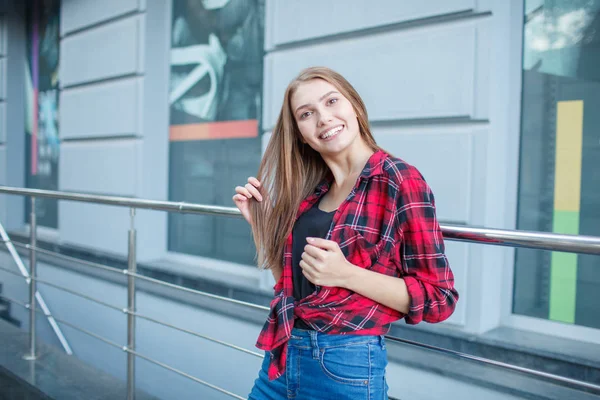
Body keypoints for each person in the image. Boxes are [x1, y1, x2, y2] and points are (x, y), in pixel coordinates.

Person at [233, 66, 459, 399]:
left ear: (353, 104)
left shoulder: (399, 180)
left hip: (345, 365)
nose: (323, 118)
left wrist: (347, 275)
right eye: (307, 113)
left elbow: (439, 298)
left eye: (331, 101)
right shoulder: (312, 194)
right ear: (299, 133)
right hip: (282, 356)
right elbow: (290, 286)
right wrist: (265, 229)